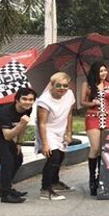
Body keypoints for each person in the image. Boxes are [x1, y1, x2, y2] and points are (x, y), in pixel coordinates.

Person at [0, 87, 37, 203]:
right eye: (24, 99)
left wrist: (19, 143)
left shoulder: (27, 109)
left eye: (31, 99)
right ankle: (5, 194)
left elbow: (22, 127)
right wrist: (21, 123)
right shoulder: (5, 113)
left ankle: (6, 187)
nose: (28, 102)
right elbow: (8, 136)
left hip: (4, 135)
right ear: (17, 100)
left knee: (18, 158)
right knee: (7, 160)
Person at [81, 62, 109, 196]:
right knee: (95, 147)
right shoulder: (87, 85)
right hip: (93, 117)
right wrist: (92, 102)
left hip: (108, 117)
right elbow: (82, 102)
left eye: (105, 71)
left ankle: (101, 177)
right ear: (95, 72)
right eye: (101, 71)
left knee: (105, 148)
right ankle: (92, 178)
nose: (104, 73)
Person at [36, 72, 74, 201]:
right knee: (54, 157)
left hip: (61, 129)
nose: (62, 88)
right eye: (58, 85)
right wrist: (45, 144)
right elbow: (42, 123)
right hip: (48, 130)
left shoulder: (69, 95)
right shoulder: (44, 100)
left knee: (61, 156)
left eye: (65, 85)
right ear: (52, 85)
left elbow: (69, 114)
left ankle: (55, 182)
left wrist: (69, 132)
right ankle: (45, 189)